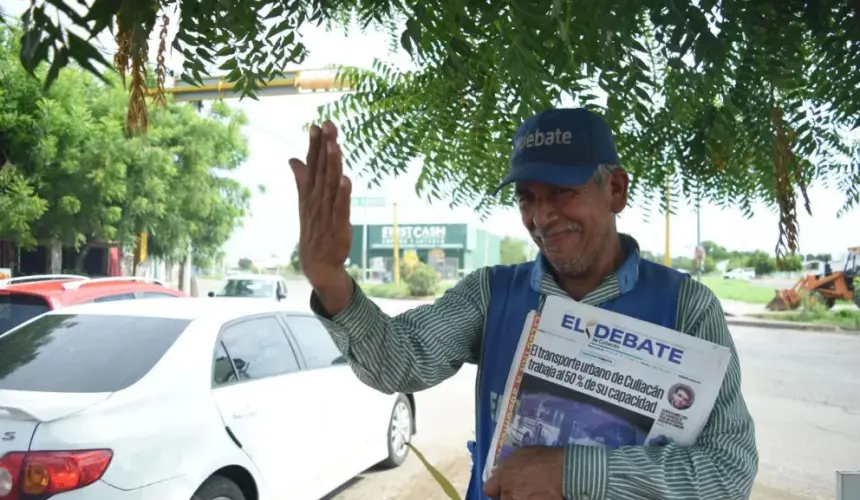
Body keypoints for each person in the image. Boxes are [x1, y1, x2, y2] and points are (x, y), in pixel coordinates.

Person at [289, 108, 759, 500]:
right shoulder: (491, 294)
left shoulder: (687, 308)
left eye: (563, 192)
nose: (542, 216)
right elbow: (400, 364)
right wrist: (331, 280)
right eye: (527, 197)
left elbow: (727, 472)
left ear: (615, 190)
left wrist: (574, 474)